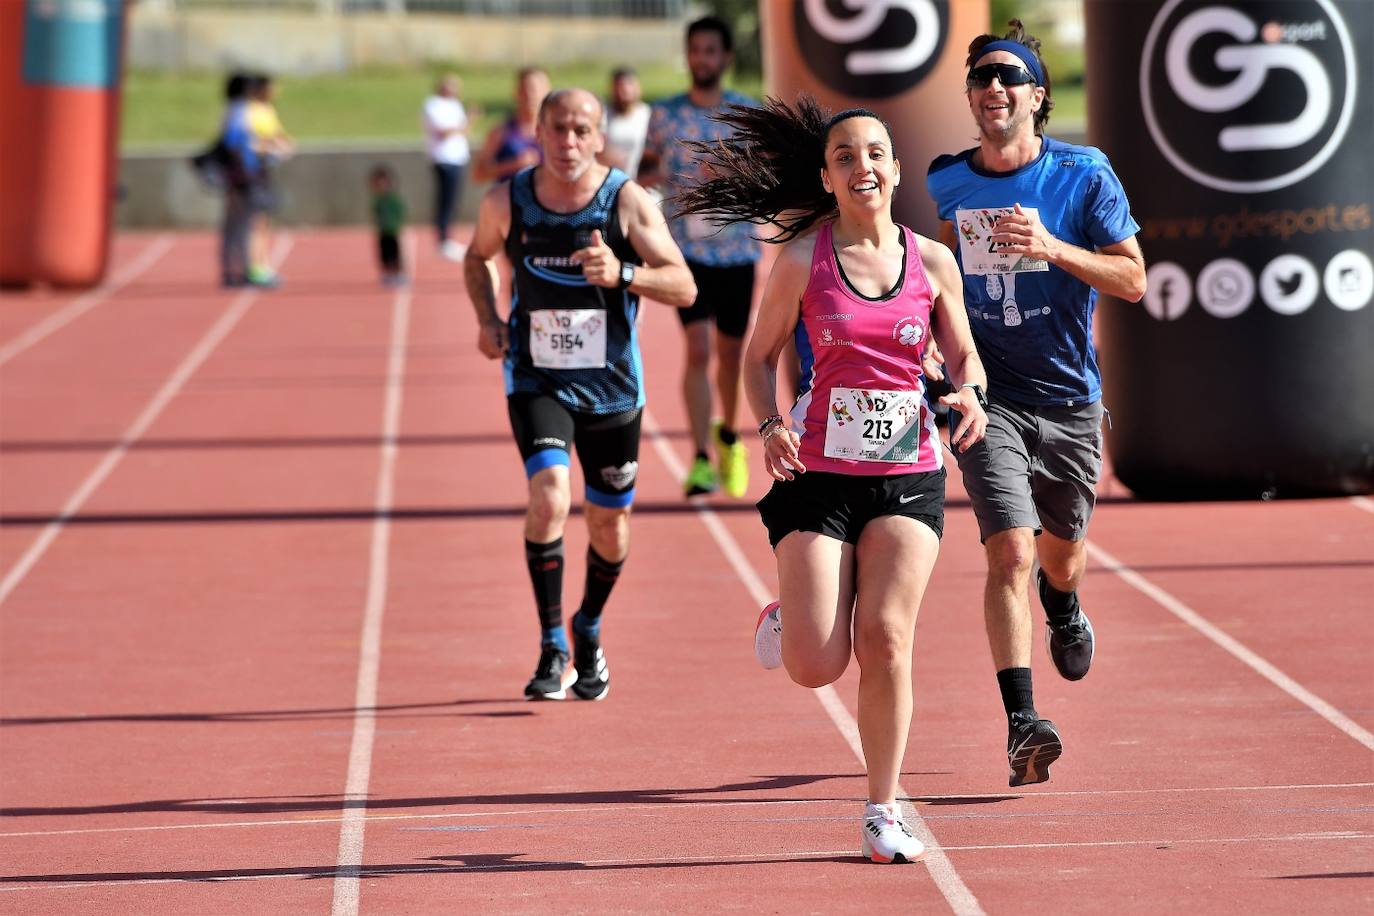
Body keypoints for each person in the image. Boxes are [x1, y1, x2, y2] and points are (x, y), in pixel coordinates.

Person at [676, 96, 988, 862]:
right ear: (826, 176)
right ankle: (791, 611)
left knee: (886, 636)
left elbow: (965, 355)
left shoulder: (933, 262)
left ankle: (882, 808)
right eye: (846, 157)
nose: (864, 167)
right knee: (817, 665)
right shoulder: (801, 261)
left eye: (875, 153)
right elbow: (755, 358)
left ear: (897, 167)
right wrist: (771, 425)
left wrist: (967, 391)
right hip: (818, 472)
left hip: (907, 471)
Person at [925, 20, 1146, 787]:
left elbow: (1133, 279)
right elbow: (927, 275)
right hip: (988, 395)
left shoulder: (1084, 174)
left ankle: (1066, 602)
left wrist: (1052, 248)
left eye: (1009, 77)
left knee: (1060, 549)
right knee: (1009, 551)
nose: (994, 88)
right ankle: (1023, 720)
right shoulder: (946, 182)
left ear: (1037, 95)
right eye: (982, 77)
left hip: (1070, 398)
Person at [463, 87, 696, 701]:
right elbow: (476, 257)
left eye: (581, 130)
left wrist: (624, 273)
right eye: (557, 128)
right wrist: (488, 317)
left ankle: (587, 624)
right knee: (549, 495)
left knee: (609, 526)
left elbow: (683, 285)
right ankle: (551, 645)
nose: (568, 141)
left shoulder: (625, 200)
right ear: (537, 131)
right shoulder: (506, 199)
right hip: (536, 376)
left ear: (598, 137)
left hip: (613, 386)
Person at [639, 16, 760, 498]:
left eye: (712, 51)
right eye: (696, 50)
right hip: (686, 250)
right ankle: (701, 458)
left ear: (725, 58)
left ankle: (728, 435)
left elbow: (767, 180)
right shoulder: (664, 115)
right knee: (699, 350)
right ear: (687, 56)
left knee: (731, 353)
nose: (703, 59)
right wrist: (658, 170)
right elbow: (645, 169)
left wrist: (732, 172)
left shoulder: (745, 113)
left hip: (736, 250)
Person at [245, 73, 294, 288]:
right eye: (271, 87)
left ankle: (260, 264)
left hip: (263, 170)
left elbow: (279, 137)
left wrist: (283, 146)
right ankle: (255, 266)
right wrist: (271, 147)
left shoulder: (267, 111)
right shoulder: (250, 112)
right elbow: (250, 142)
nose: (275, 91)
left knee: (263, 221)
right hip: (251, 171)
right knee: (256, 221)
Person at [421, 73, 471, 261]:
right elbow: (443, 132)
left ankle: (447, 237)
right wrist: (461, 125)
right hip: (443, 159)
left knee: (453, 200)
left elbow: (463, 129)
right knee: (444, 200)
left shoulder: (455, 104)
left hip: (458, 158)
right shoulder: (432, 104)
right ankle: (443, 239)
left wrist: (469, 120)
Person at [470, 67, 549, 184]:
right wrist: (512, 165)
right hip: (509, 199)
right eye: (525, 89)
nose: (530, 95)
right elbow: (478, 174)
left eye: (535, 89)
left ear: (547, 92)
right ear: (516, 93)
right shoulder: (501, 131)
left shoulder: (558, 132)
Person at [217, 72, 258, 288]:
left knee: (235, 224)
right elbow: (234, 143)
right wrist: (243, 171)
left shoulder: (231, 110)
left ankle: (232, 268)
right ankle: (237, 269)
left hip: (236, 173)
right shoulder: (239, 111)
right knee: (240, 224)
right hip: (240, 175)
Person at [598, 67, 651, 179]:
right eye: (620, 86)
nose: (625, 90)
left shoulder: (648, 115)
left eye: (629, 85)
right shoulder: (602, 116)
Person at [370, 164, 406, 287]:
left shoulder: (393, 199)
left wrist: (397, 225)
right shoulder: (378, 200)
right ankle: (386, 274)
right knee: (384, 254)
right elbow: (376, 214)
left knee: (395, 253)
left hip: (393, 232)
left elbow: (400, 212)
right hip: (383, 232)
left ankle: (398, 273)